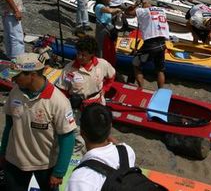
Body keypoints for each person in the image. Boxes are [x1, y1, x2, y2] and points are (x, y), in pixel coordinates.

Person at [0, 53, 76, 191]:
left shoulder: (58, 101)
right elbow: (9, 125)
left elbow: (67, 138)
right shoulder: (15, 92)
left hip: (45, 166)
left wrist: (59, 172)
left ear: (33, 75)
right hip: (15, 161)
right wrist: (2, 153)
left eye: (17, 75)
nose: (13, 79)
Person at [57, 36, 116, 155]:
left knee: (100, 134)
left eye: (83, 55)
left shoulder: (102, 64)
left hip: (98, 105)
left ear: (92, 54)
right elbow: (62, 90)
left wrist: (105, 89)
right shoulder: (69, 69)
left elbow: (112, 75)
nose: (79, 57)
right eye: (78, 53)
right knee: (79, 139)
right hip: (78, 110)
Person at [65, 104, 135, 191]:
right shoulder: (127, 151)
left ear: (82, 133)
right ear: (110, 127)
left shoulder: (80, 179)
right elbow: (120, 146)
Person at [126, 1, 169, 88]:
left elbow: (128, 12)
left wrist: (135, 5)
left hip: (150, 44)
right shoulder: (162, 10)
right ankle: (160, 91)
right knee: (160, 70)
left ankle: (141, 88)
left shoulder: (144, 11)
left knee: (136, 64)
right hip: (162, 43)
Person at [94, 0, 122, 66]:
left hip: (108, 28)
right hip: (102, 29)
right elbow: (109, 11)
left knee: (109, 47)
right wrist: (117, 9)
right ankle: (99, 63)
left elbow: (109, 15)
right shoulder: (99, 6)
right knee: (100, 48)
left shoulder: (107, 5)